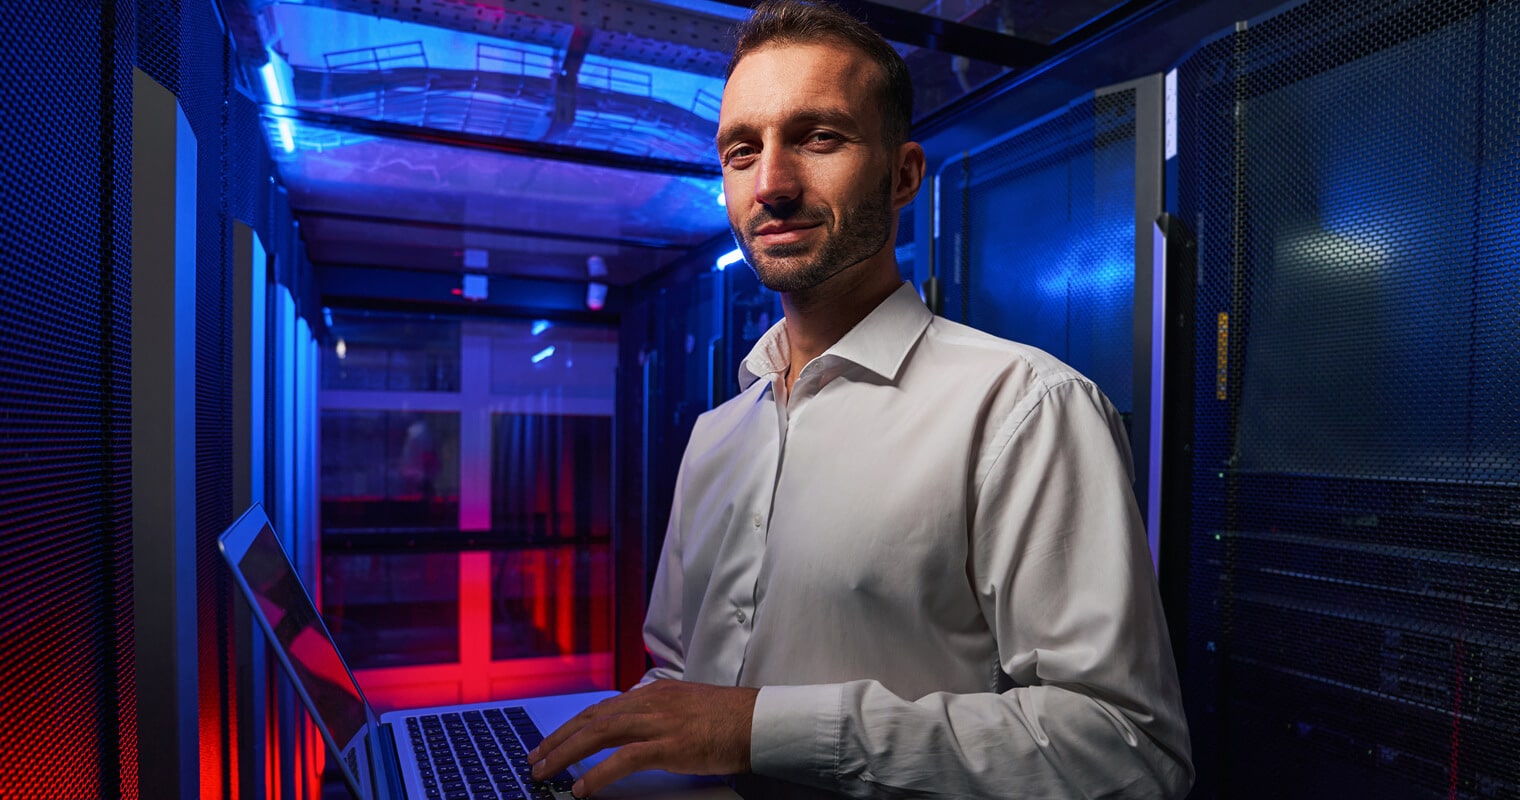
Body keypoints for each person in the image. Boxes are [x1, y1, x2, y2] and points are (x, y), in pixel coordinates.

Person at [529, 1, 1193, 796]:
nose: (770, 183)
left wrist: (758, 728)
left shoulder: (1023, 407)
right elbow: (677, 682)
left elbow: (1127, 750)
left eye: (818, 138)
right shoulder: (716, 434)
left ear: (903, 173)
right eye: (742, 151)